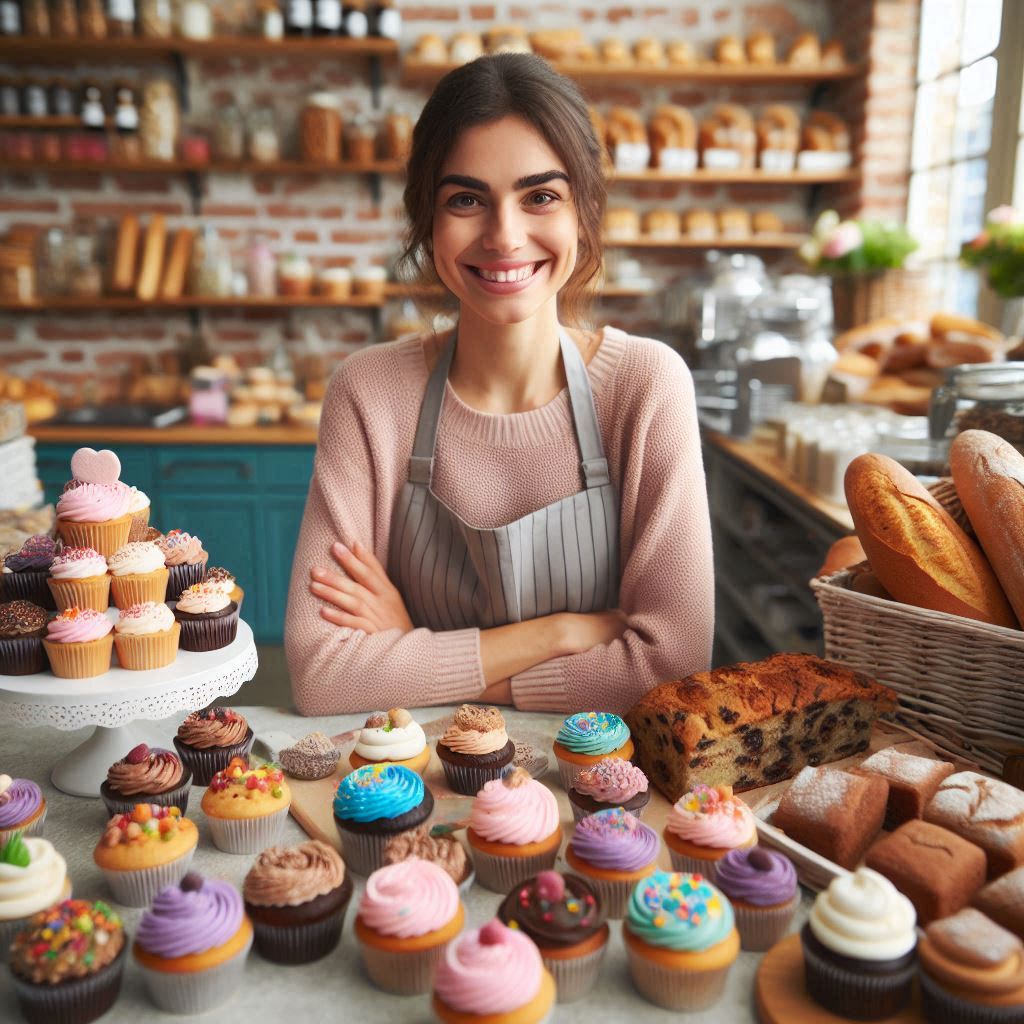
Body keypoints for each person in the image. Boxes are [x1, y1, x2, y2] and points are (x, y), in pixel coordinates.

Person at [286, 53, 713, 716]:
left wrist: (409, 648)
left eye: (539, 196)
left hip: (604, 797)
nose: (505, 236)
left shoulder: (646, 388)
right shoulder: (369, 394)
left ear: (584, 211)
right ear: (427, 221)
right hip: (412, 790)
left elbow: (669, 671)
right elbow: (320, 673)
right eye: (466, 200)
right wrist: (562, 635)